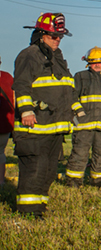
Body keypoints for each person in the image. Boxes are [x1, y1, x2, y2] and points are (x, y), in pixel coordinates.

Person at [12, 13, 75, 217]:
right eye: (53, 36)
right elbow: (21, 84)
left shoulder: (57, 58)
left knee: (48, 170)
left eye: (59, 37)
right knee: (35, 168)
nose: (57, 40)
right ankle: (29, 211)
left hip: (55, 126)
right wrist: (27, 110)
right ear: (41, 34)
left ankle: (40, 206)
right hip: (35, 125)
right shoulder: (29, 54)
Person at [65, 47, 101, 188]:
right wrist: (79, 113)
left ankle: (98, 181)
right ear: (88, 63)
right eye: (93, 63)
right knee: (79, 153)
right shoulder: (80, 77)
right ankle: (74, 181)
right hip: (84, 124)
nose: (97, 65)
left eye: (100, 62)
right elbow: (72, 96)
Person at [0, 55, 13, 185]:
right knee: (0, 153)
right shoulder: (8, 77)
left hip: (4, 122)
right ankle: (1, 182)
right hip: (5, 123)